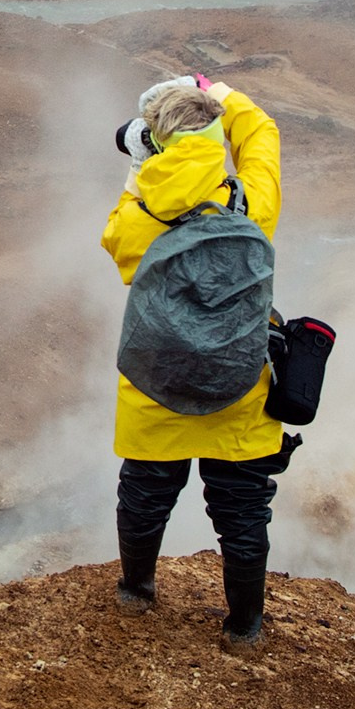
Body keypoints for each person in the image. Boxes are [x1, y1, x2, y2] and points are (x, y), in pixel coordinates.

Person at [101, 74, 290, 647]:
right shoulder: (252, 204)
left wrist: (141, 170)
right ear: (211, 141)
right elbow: (262, 137)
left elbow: (117, 242)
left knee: (144, 494)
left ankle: (136, 593)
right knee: (242, 509)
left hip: (155, 387)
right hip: (240, 383)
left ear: (155, 144)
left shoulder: (136, 218)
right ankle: (244, 627)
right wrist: (221, 94)